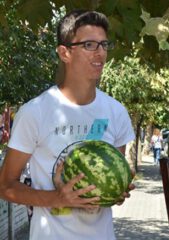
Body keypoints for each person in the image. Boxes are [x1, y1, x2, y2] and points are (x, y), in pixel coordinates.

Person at [0, 10, 135, 240]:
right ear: (64, 52)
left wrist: (118, 192)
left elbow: (112, 183)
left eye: (103, 44)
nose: (100, 52)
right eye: (89, 45)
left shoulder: (116, 112)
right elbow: (5, 186)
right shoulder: (35, 112)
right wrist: (57, 199)